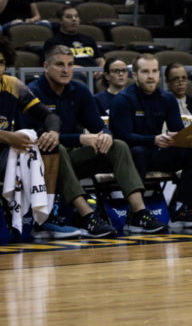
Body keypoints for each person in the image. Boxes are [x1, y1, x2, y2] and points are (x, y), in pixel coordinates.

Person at [27, 46, 168, 235]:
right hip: (40, 162)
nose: (66, 70)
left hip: (73, 158)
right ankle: (88, 216)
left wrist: (106, 136)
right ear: (45, 66)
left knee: (118, 146)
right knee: (56, 148)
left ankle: (138, 213)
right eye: (59, 64)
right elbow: (35, 138)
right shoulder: (32, 92)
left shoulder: (80, 90)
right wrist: (80, 138)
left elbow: (100, 126)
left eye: (70, 65)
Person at [0, 35, 85, 240]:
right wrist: (9, 137)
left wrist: (53, 132)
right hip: (2, 152)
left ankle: (43, 220)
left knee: (50, 146)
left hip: (4, 160)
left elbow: (49, 116)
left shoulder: (12, 85)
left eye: (1, 63)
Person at [110, 53, 192, 229]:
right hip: (131, 157)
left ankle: (181, 209)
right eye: (145, 71)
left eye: (154, 71)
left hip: (157, 153)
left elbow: (176, 129)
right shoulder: (123, 100)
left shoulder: (167, 98)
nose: (151, 76)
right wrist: (153, 140)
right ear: (135, 75)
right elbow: (122, 137)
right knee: (138, 152)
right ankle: (136, 215)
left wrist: (188, 140)